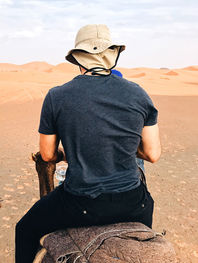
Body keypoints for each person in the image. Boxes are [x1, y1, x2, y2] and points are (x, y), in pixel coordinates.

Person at [15, 24, 161, 263]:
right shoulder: (138, 93)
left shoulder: (57, 96)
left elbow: (47, 154)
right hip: (133, 203)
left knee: (24, 228)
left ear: (77, 58)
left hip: (80, 203)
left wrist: (67, 153)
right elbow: (152, 154)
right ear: (111, 56)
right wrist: (118, 142)